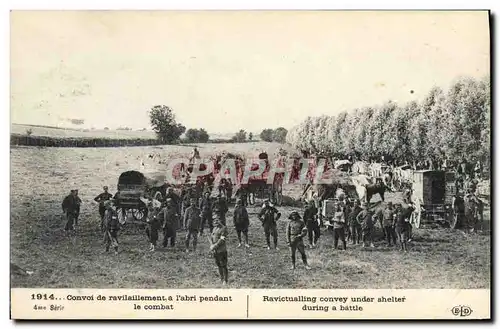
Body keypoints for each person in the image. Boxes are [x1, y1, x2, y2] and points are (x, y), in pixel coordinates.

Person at [209, 215, 229, 285]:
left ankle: (225, 280)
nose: (216, 222)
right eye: (214, 220)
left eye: (217, 220)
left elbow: (222, 240)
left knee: (223, 265)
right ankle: (221, 278)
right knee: (218, 265)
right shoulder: (214, 229)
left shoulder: (224, 228)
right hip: (215, 251)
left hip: (222, 251)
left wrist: (215, 246)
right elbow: (212, 237)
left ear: (221, 220)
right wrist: (211, 245)